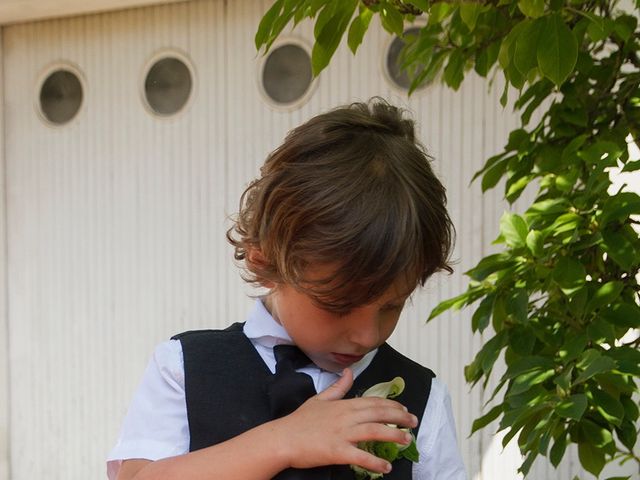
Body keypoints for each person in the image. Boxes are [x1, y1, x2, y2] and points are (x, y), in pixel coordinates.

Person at [107, 99, 467, 480]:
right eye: (339, 304)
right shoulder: (185, 367)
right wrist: (284, 441)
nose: (367, 335)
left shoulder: (423, 399)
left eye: (392, 306)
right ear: (266, 261)